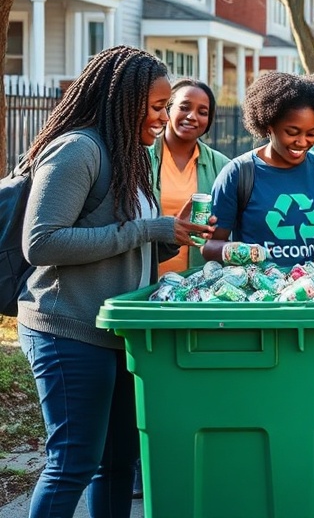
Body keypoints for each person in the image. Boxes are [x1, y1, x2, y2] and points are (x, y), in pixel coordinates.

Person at [17, 45, 212, 518]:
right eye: (158, 107)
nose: (164, 118)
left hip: (119, 332)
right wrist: (149, 229)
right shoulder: (78, 149)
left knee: (118, 464)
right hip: (67, 328)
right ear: (122, 100)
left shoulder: (130, 155)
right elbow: (41, 243)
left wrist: (170, 237)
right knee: (73, 464)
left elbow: (123, 241)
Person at [204, 72, 314, 273]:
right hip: (260, 297)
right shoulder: (239, 173)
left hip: (311, 293)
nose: (302, 142)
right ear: (269, 127)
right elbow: (209, 246)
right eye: (292, 132)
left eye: (312, 134)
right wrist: (239, 252)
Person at [150, 79, 230, 275]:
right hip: (144, 281)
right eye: (184, 107)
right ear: (167, 109)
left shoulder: (223, 167)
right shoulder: (141, 158)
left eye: (203, 112)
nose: (192, 116)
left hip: (195, 284)